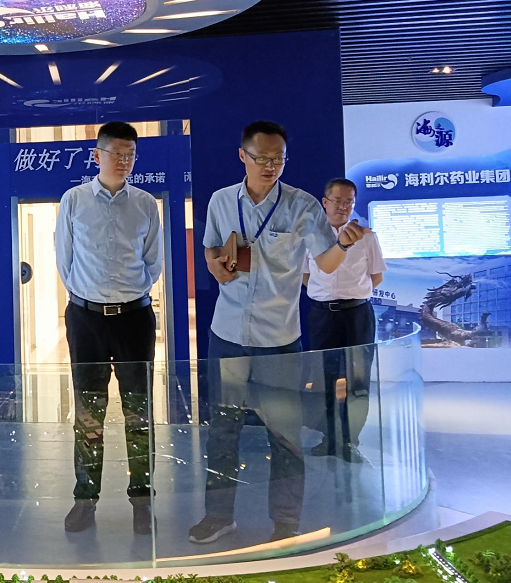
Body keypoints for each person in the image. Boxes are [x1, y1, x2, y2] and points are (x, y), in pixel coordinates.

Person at [190, 121, 369, 545]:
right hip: (228, 334)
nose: (270, 166)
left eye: (278, 159)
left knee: (285, 434)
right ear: (243, 156)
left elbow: (325, 263)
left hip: (279, 339)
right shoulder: (221, 201)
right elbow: (211, 248)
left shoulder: (301, 205)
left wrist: (344, 245)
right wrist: (215, 264)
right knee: (223, 429)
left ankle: (286, 521)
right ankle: (218, 516)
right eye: (262, 158)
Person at [55, 121, 163, 536]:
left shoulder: (145, 204)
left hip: (135, 318)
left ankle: (142, 500)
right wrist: (90, 296)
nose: (124, 161)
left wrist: (129, 293)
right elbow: (65, 260)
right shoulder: (74, 200)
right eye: (116, 153)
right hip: (86, 318)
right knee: (88, 412)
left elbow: (153, 261)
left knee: (139, 411)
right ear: (96, 155)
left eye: (130, 154)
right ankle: (85, 499)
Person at [303, 178, 387, 463]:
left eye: (348, 202)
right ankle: (328, 438)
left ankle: (350, 440)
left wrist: (351, 296)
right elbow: (305, 275)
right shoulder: (311, 235)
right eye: (337, 201)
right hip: (322, 315)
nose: (343, 207)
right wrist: (326, 296)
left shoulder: (367, 237)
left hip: (357, 315)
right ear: (325, 202)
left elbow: (376, 276)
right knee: (323, 379)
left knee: (357, 381)